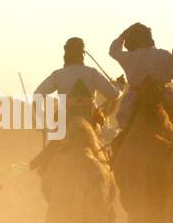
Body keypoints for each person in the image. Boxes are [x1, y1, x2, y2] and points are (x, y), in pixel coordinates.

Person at [30, 38, 118, 171]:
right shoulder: (92, 73)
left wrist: (41, 120)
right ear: (82, 54)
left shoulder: (58, 75)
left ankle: (44, 166)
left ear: (66, 54)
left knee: (52, 151)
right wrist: (119, 87)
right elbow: (113, 94)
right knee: (108, 151)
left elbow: (38, 94)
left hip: (66, 123)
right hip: (91, 122)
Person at [109, 22, 173, 133]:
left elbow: (113, 51)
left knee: (123, 130)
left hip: (134, 102)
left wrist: (122, 35)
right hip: (164, 98)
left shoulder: (130, 57)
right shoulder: (164, 55)